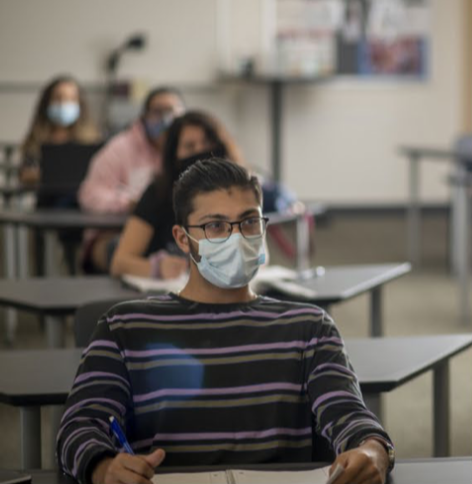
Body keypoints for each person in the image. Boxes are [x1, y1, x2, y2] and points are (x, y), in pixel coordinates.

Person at [57, 158, 394, 484]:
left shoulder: (310, 327)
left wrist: (373, 451)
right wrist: (102, 467)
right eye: (215, 226)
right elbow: (79, 426)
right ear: (182, 239)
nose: (237, 237)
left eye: (249, 222)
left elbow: (349, 415)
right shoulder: (124, 328)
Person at [110, 110, 244, 279]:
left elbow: (261, 254)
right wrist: (156, 268)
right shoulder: (157, 194)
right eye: (190, 146)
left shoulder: (238, 192)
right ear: (174, 155)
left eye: (207, 143)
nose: (201, 151)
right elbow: (119, 263)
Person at [78, 86, 185, 272]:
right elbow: (90, 195)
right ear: (144, 116)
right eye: (157, 112)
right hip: (118, 233)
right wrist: (127, 203)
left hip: (169, 235)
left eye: (171, 112)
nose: (165, 119)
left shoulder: (187, 149)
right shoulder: (120, 148)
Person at [19, 75, 100, 185]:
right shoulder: (36, 141)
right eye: (58, 98)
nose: (64, 103)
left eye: (71, 99)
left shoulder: (91, 141)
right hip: (47, 195)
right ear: (47, 103)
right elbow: (25, 175)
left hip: (80, 195)